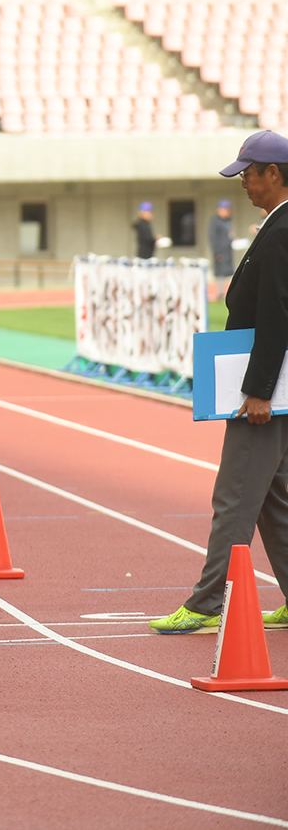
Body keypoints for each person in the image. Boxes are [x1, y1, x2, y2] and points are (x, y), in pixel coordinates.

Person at [149, 130, 288, 634]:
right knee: (275, 500)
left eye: (248, 173)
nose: (243, 183)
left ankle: (207, 603)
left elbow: (276, 316)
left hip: (266, 394)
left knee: (234, 497)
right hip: (277, 390)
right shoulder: (276, 225)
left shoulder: (281, 230)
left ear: (273, 174)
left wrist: (257, 392)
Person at [208, 199, 234, 301]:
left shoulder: (227, 221)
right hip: (220, 252)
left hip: (228, 250)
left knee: (228, 272)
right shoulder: (215, 221)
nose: (228, 212)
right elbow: (212, 237)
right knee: (220, 273)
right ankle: (220, 293)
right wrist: (217, 252)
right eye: (225, 209)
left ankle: (228, 293)